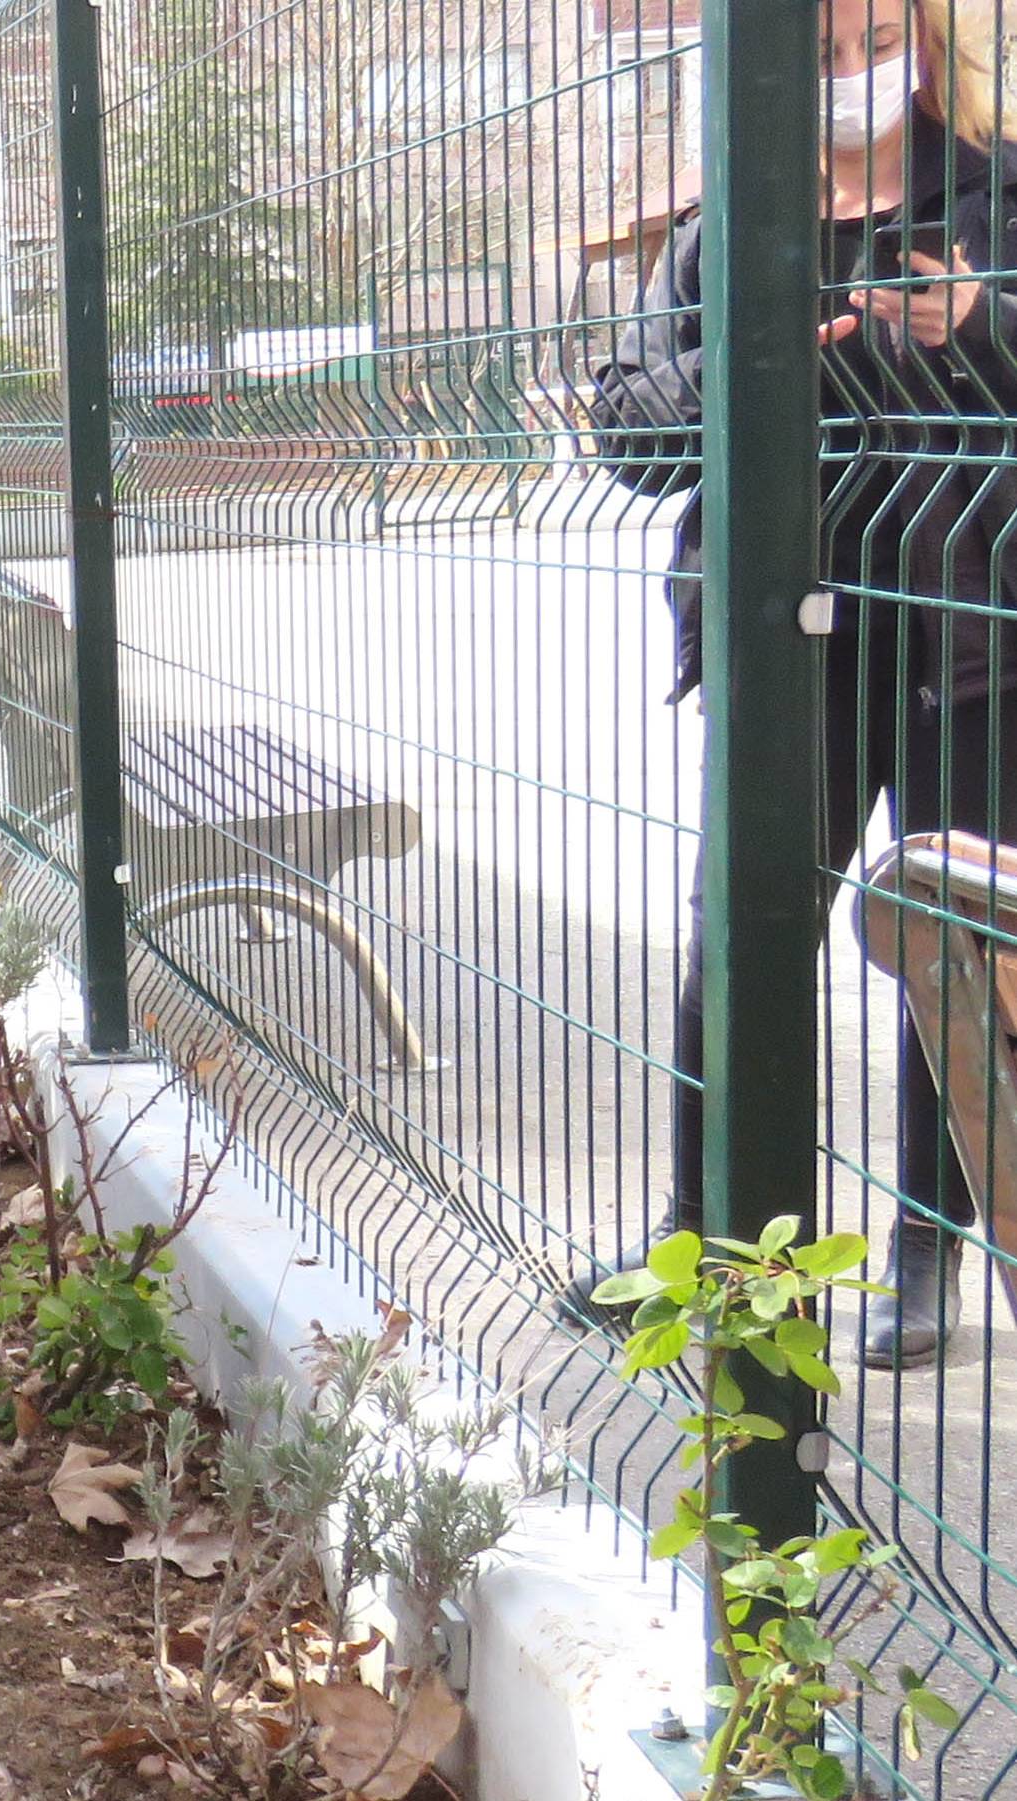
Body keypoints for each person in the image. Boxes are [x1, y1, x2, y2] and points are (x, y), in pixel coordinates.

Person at [588, 0, 1017, 1364]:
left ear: (927, 36)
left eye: (873, 36)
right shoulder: (732, 224)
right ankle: (698, 1241)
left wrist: (972, 329)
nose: (848, 73)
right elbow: (630, 430)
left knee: (944, 959)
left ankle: (920, 1255)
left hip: (967, 646)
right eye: (821, 51)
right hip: (784, 650)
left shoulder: (995, 194)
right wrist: (753, 367)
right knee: (739, 939)